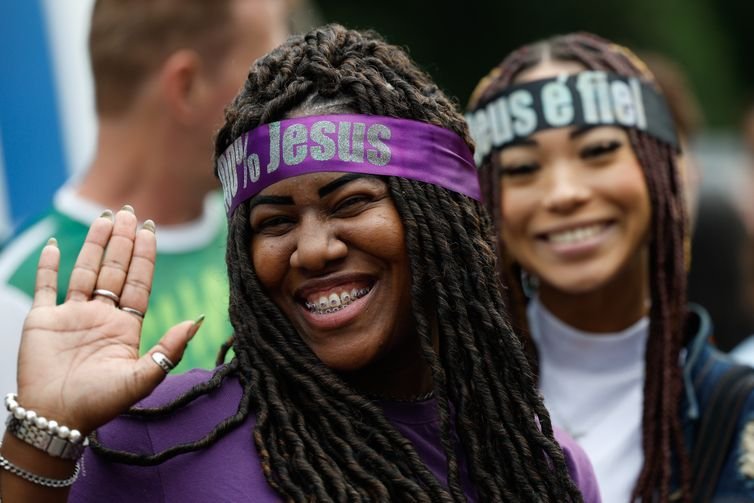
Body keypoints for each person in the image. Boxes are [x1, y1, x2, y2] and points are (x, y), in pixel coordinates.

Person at [0, 25, 600, 502]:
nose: (312, 250)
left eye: (351, 203)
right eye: (275, 222)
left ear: (442, 219)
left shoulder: (541, 464)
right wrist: (43, 432)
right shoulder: (157, 440)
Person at [466, 32, 754, 502]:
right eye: (522, 168)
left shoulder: (738, 412)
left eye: (598, 151)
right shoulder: (441, 403)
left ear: (665, 169)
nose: (564, 193)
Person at [0, 0, 289, 397]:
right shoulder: (20, 290)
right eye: (268, 75)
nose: (289, 101)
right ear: (188, 86)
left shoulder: (273, 233)